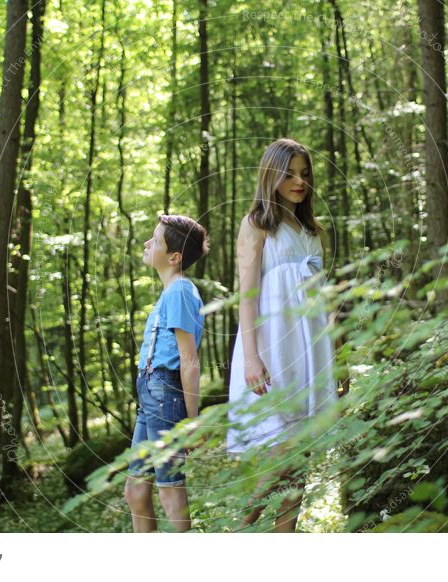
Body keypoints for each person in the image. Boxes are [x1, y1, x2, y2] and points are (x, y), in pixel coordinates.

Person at [227, 138, 341, 532]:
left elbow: (324, 297)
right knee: (283, 453)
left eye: (304, 174)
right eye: (289, 173)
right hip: (274, 346)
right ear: (271, 175)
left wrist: (336, 353)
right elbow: (247, 293)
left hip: (311, 346)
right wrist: (251, 357)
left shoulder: (311, 229)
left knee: (301, 457)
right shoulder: (257, 225)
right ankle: (237, 531)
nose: (298, 181)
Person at [123, 214, 209, 532]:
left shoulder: (181, 291)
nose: (147, 243)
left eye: (155, 240)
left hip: (165, 392)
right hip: (151, 394)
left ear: (174, 257)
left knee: (169, 489)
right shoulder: (170, 292)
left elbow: (189, 360)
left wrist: (191, 421)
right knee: (135, 490)